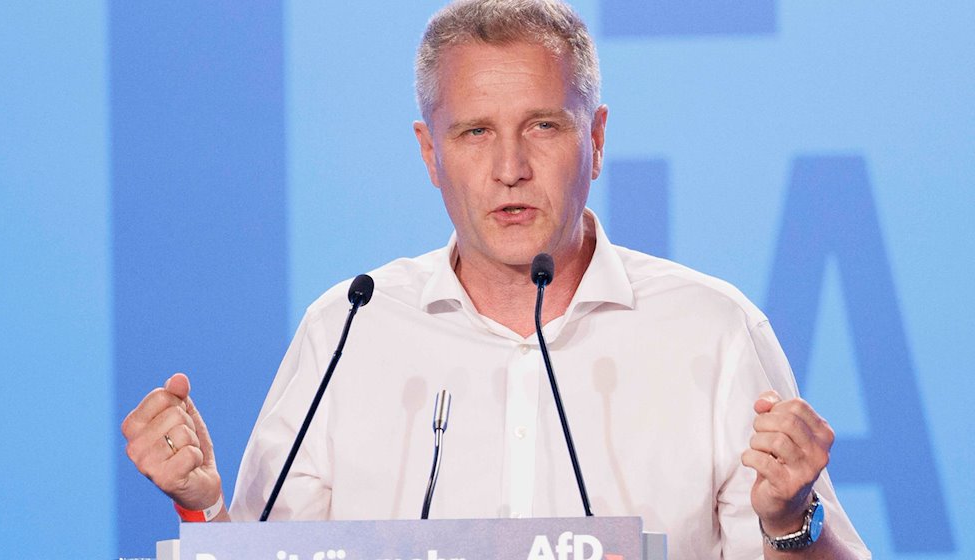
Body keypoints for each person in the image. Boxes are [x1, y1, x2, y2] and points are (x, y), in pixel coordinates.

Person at [121, 1, 871, 558]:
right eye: (475, 131)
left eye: (543, 126)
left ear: (598, 139)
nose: (510, 167)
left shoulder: (712, 331)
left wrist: (789, 521)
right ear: (429, 154)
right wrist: (201, 512)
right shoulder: (350, 329)